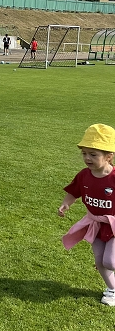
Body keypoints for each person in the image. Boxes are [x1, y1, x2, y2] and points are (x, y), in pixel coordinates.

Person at [59, 124, 115, 306]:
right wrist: (66, 203)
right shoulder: (84, 175)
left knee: (110, 261)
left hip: (113, 225)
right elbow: (74, 191)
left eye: (93, 154)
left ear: (108, 156)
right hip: (95, 224)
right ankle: (112, 289)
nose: (87, 158)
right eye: (84, 153)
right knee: (99, 261)